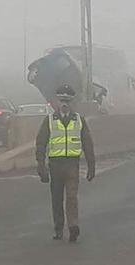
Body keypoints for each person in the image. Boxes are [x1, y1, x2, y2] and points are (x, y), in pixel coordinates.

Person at [36, 85, 96, 242]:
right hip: (55, 165)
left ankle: (73, 226)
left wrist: (91, 165)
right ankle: (58, 228)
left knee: (71, 197)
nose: (64, 104)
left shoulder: (79, 120)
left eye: (67, 101)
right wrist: (41, 166)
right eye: (62, 100)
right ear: (57, 102)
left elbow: (87, 143)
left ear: (72, 102)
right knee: (56, 199)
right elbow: (40, 143)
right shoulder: (49, 120)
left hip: (72, 164)